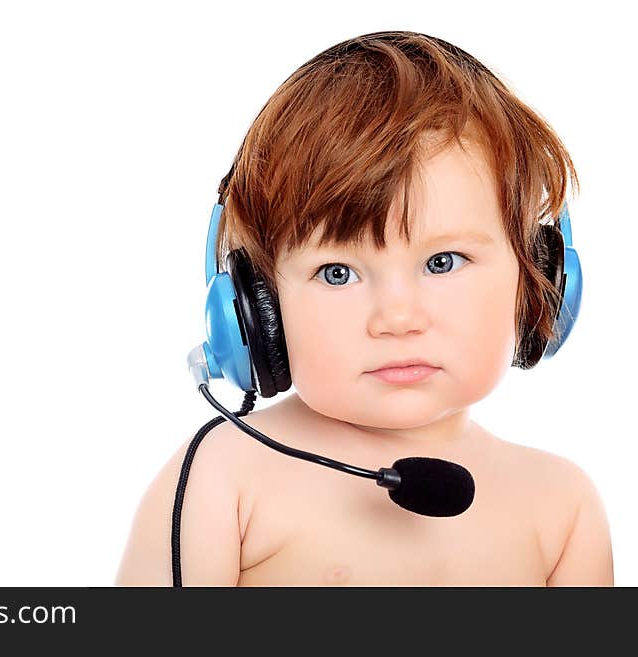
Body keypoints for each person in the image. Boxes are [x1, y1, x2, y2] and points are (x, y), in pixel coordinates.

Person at [115, 31, 614, 586]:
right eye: (338, 274)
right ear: (260, 311)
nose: (397, 319)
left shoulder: (560, 509)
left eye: (444, 262)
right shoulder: (225, 477)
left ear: (535, 278)